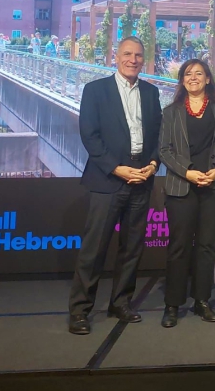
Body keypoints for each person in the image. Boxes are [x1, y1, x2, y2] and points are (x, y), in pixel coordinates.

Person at [68, 36, 162, 335]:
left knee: (132, 248)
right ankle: (80, 310)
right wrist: (116, 168)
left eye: (138, 55)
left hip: (142, 178)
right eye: (127, 54)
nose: (133, 60)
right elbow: (90, 136)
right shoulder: (95, 90)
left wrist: (153, 164)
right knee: (94, 249)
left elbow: (159, 135)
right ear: (116, 56)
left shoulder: (151, 93)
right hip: (108, 179)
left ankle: (120, 303)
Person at [158, 59, 215, 328]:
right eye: (188, 74)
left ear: (208, 79)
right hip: (182, 186)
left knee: (206, 246)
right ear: (182, 80)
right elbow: (164, 150)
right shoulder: (171, 112)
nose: (193, 77)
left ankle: (202, 300)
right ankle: (172, 304)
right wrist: (188, 172)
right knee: (179, 246)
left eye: (199, 73)